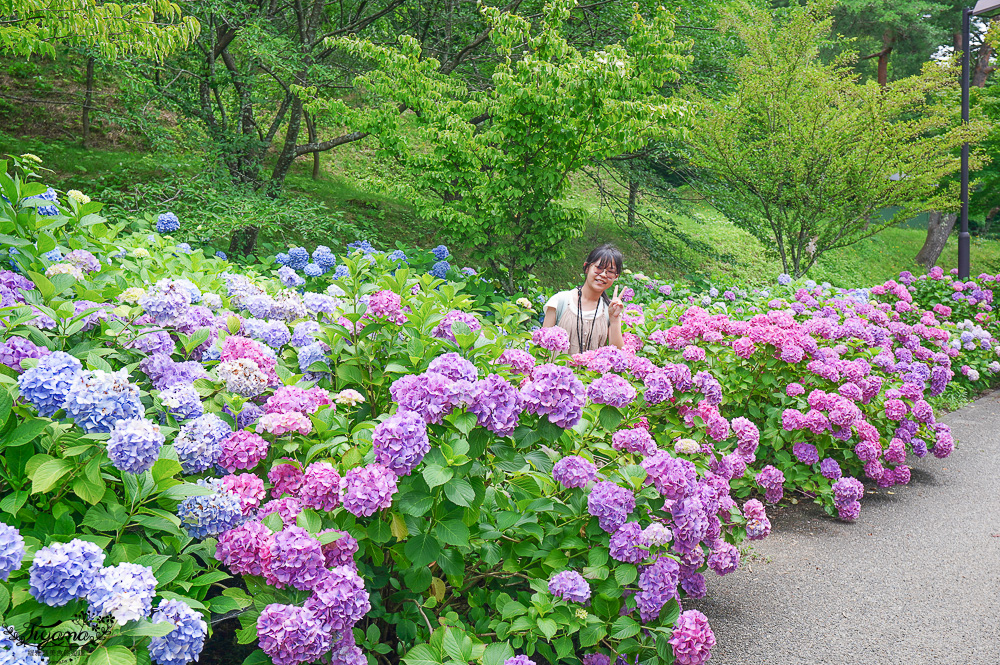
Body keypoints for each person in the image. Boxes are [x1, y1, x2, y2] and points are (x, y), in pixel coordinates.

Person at [541, 244, 625, 353]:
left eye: (610, 272)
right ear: (586, 267)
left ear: (616, 277)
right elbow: (542, 350)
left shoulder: (610, 310)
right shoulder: (560, 301)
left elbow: (618, 354)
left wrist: (614, 319)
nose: (603, 275)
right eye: (599, 268)